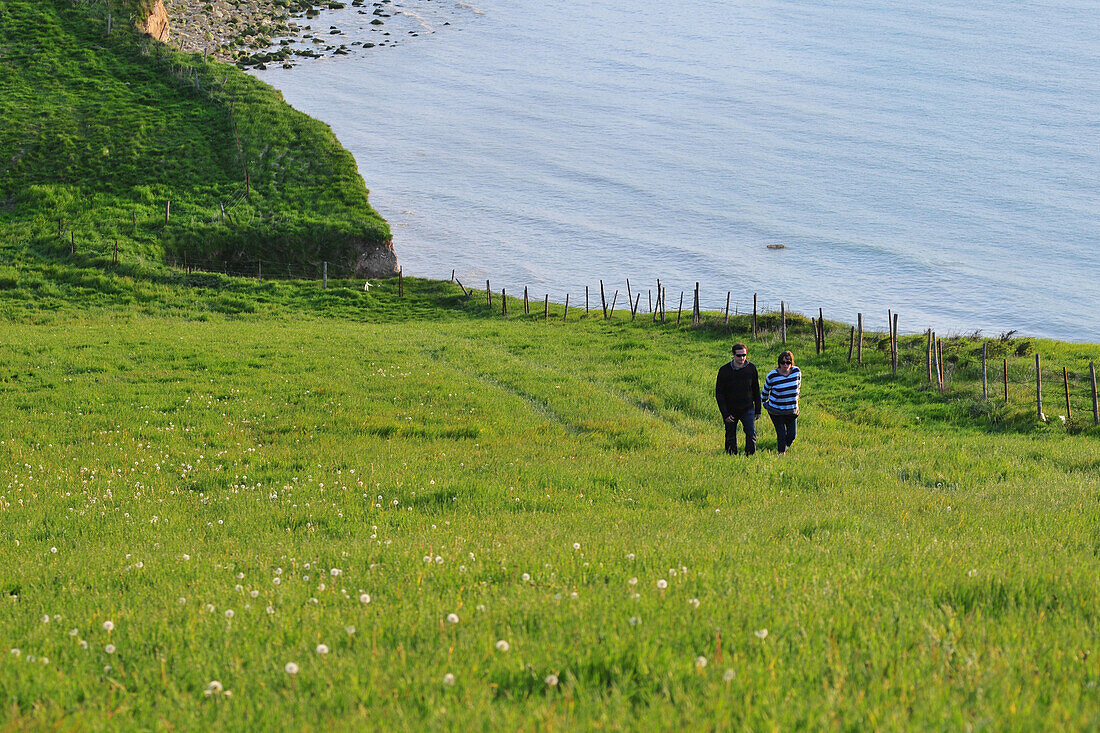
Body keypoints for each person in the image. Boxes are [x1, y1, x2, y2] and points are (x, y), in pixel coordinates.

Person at [715, 343, 761, 455]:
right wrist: (725, 414)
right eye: (739, 355)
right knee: (730, 435)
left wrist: (758, 410)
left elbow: (756, 389)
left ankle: (750, 456)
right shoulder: (724, 370)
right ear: (733, 355)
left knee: (751, 432)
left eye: (744, 355)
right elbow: (719, 394)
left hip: (748, 408)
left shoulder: (751, 368)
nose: (742, 358)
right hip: (731, 409)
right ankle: (731, 456)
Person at [761, 350, 801, 455]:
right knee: (781, 434)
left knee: (792, 435)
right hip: (776, 410)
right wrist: (765, 404)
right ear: (779, 363)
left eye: (788, 362)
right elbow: (765, 392)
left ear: (792, 363)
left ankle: (785, 446)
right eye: (782, 363)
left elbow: (798, 387)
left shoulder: (797, 372)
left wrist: (795, 402)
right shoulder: (772, 375)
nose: (785, 365)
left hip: (791, 410)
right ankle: (781, 453)